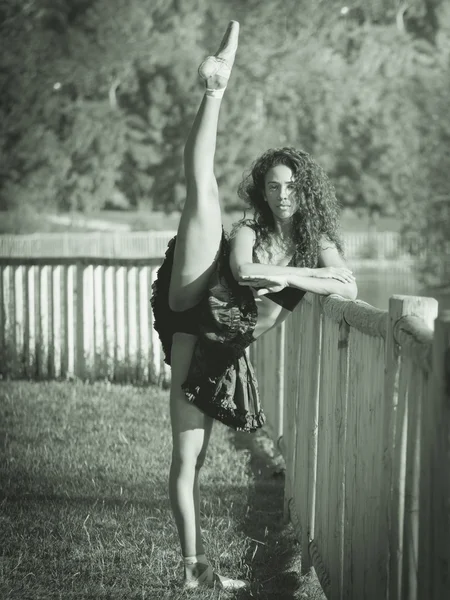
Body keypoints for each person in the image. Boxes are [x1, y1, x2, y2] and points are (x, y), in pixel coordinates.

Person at [151, 20, 357, 590]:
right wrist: (296, 275)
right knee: (203, 197)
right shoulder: (250, 228)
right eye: (272, 186)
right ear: (263, 190)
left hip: (224, 346)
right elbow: (241, 270)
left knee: (193, 460)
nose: (281, 195)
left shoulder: (318, 241)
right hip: (197, 304)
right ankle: (215, 88)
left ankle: (195, 571)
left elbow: (348, 286)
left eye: (290, 186)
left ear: (305, 189)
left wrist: (298, 275)